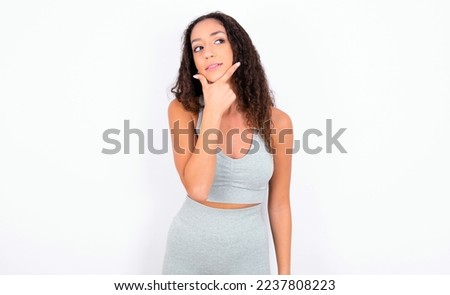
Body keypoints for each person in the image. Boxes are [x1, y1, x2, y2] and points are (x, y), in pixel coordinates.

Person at [162, 11, 293, 275]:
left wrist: (285, 276)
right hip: (188, 254)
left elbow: (279, 204)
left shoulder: (278, 122)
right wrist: (211, 112)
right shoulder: (183, 110)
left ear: (238, 46)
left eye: (218, 41)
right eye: (198, 48)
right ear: (194, 62)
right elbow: (197, 189)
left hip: (249, 257)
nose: (208, 52)